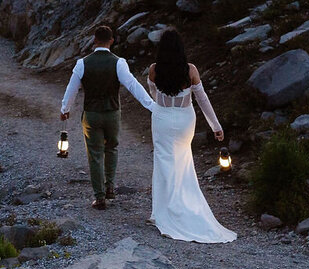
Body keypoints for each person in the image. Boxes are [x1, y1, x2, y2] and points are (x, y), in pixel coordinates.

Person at [144, 27, 236, 243]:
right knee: (183, 161)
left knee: (163, 161)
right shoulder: (190, 70)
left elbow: (154, 94)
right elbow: (202, 99)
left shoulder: (154, 70)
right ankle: (183, 204)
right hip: (185, 120)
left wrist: (164, 104)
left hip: (162, 118)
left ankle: (162, 212)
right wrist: (216, 126)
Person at [60, 23, 157, 210]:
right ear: (111, 41)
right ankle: (110, 186)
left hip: (91, 114)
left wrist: (65, 109)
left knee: (95, 154)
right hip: (112, 113)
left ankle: (99, 197)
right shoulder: (118, 62)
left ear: (95, 40)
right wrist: (152, 106)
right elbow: (133, 85)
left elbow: (71, 89)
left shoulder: (82, 63)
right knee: (112, 148)